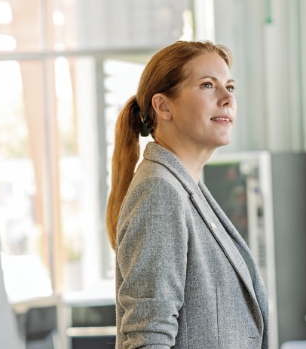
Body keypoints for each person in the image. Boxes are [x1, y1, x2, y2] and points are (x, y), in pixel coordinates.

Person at [106, 41, 269, 349]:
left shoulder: (185, 189)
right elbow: (147, 340)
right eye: (208, 85)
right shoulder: (159, 192)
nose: (227, 99)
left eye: (230, 87)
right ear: (163, 106)